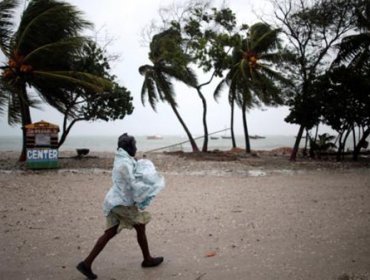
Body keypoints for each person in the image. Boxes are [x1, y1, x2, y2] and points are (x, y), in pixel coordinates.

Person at [76, 133, 164, 279]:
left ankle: (86, 263)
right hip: (122, 203)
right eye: (134, 146)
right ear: (128, 147)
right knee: (140, 226)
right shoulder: (124, 163)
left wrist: (137, 162)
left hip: (114, 202)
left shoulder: (123, 159)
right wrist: (150, 184)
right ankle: (147, 259)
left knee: (110, 233)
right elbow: (133, 183)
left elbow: (131, 171)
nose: (136, 148)